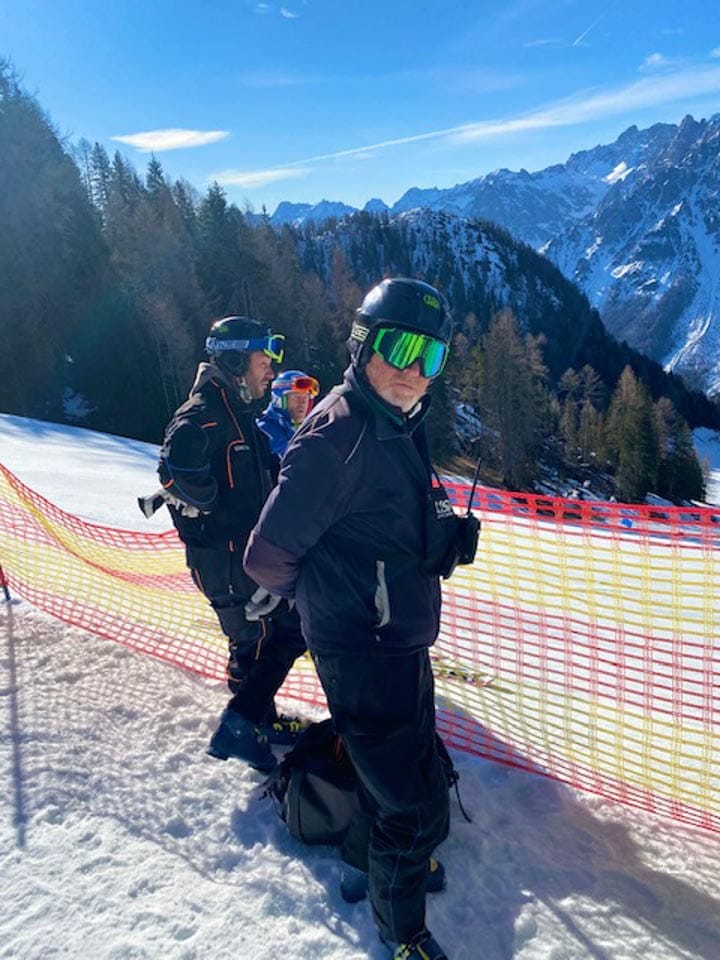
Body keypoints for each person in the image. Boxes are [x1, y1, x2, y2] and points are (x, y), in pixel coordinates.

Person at [245, 278, 478, 960]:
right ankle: (402, 933)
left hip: (397, 635)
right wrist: (334, 602)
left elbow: (377, 522)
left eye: (431, 356)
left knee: (402, 771)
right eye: (400, 348)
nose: (414, 369)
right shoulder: (337, 433)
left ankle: (368, 864)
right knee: (408, 804)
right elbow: (266, 557)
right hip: (363, 648)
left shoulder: (396, 419)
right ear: (363, 344)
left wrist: (440, 541)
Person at [157, 315, 307, 773]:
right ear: (237, 361)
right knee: (258, 641)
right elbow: (175, 470)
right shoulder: (203, 414)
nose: (270, 371)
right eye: (264, 361)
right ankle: (242, 727)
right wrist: (211, 511)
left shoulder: (237, 411)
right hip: (226, 563)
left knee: (275, 636)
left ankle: (258, 719)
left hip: (250, 556)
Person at [256, 369, 320, 459]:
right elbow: (293, 459)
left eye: (306, 397)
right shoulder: (265, 428)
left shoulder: (309, 428)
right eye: (296, 397)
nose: (302, 403)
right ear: (280, 401)